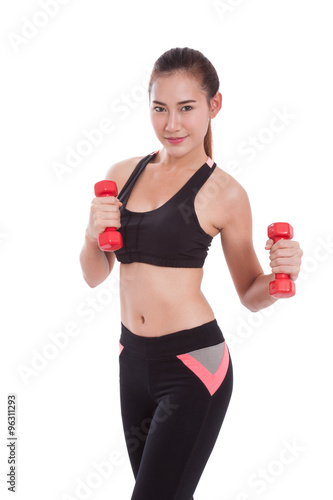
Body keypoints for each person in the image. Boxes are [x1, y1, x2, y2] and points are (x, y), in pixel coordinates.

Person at [79, 47, 303, 500]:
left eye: (186, 108)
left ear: (213, 106)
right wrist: (90, 231)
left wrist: (282, 278)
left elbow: (250, 291)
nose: (172, 124)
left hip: (193, 367)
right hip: (132, 362)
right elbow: (93, 275)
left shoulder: (226, 193)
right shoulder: (122, 174)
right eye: (160, 109)